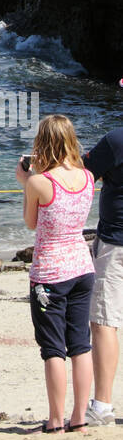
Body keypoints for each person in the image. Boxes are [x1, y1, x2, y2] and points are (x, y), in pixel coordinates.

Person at [17, 115, 95, 433]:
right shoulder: (88, 177)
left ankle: (55, 418)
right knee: (80, 345)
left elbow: (32, 222)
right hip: (82, 265)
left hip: (50, 271)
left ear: (42, 143)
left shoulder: (39, 181)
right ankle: (79, 417)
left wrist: (26, 181)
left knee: (53, 349)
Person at [78, 123, 122, 424]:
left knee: (104, 321)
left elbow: (82, 176)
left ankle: (103, 404)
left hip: (117, 243)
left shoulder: (116, 139)